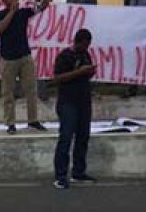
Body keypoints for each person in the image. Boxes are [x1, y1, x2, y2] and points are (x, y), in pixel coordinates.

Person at [0, 0, 48, 134]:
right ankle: (10, 123)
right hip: (8, 58)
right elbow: (0, 28)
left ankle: (33, 120)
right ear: (4, 1)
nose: (14, 1)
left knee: (31, 90)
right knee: (8, 93)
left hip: (25, 56)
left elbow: (42, 7)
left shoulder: (24, 13)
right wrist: (11, 12)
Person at [52, 28, 96, 189]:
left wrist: (89, 72)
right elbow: (57, 78)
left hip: (84, 101)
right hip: (68, 102)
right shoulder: (64, 56)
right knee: (66, 138)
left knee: (83, 137)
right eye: (84, 45)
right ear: (77, 42)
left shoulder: (86, 55)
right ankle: (60, 175)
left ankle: (78, 171)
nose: (86, 48)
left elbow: (86, 74)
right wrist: (78, 72)